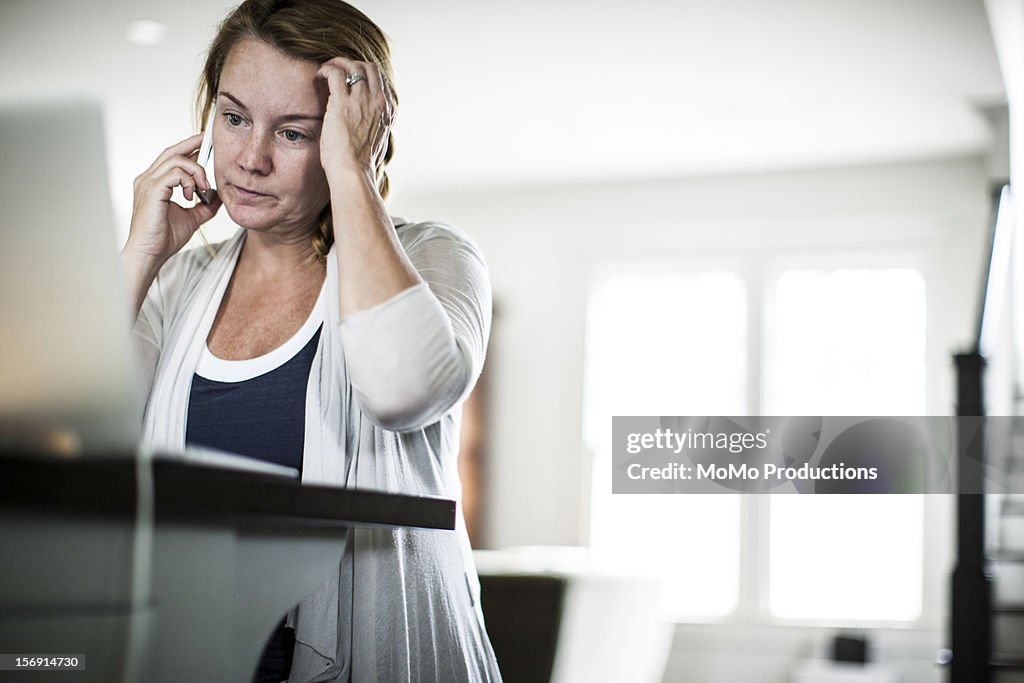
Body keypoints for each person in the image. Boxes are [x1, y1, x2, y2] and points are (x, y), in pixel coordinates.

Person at [120, 0, 501, 681]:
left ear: (352, 136)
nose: (251, 158)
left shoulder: (436, 256)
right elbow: (66, 440)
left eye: (295, 134)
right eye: (234, 118)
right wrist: (139, 256)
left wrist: (353, 172)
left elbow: (403, 389)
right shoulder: (180, 285)